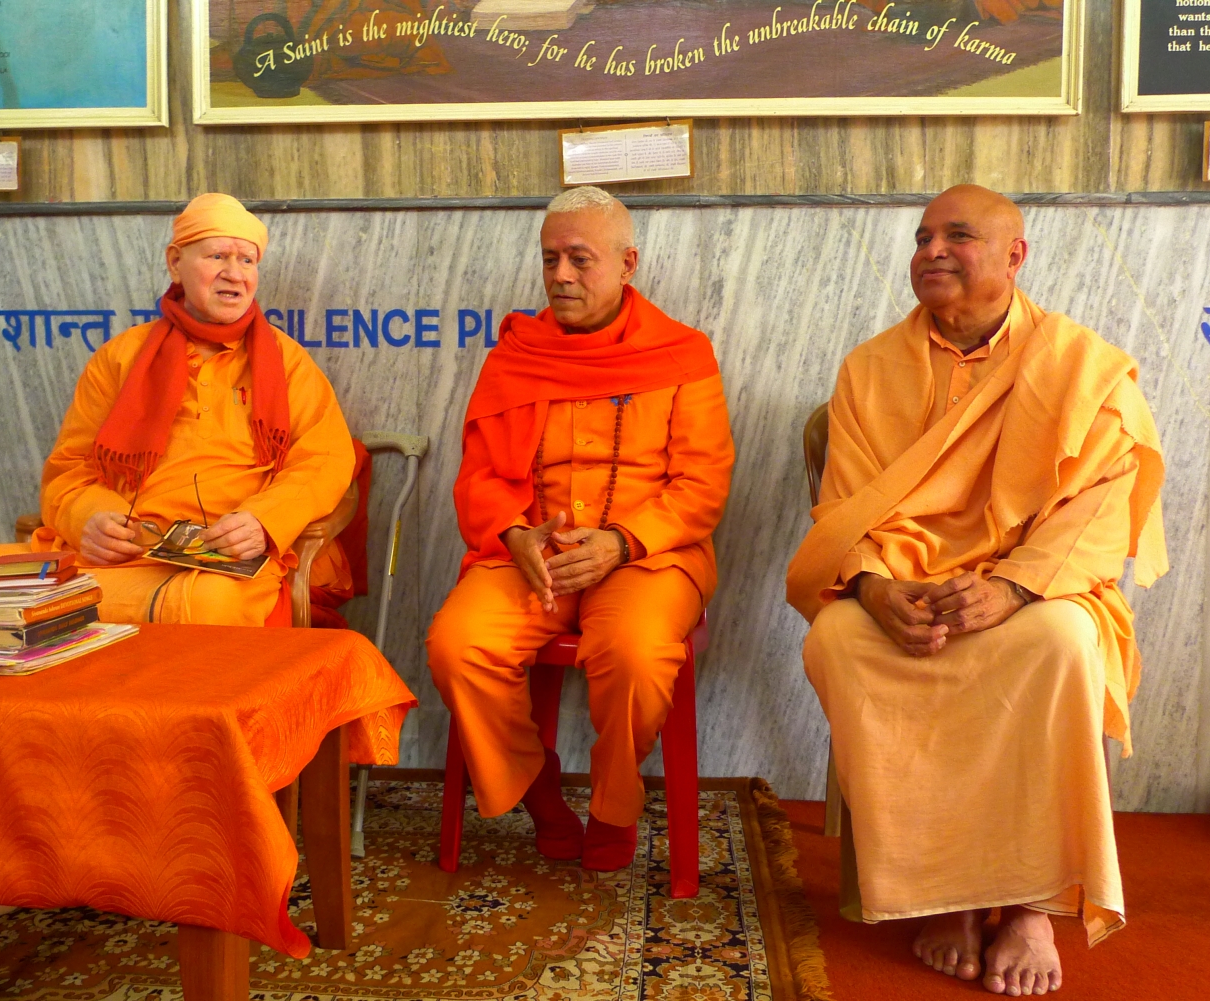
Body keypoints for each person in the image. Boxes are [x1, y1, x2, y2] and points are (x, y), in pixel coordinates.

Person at [787, 185, 1167, 997]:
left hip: (1035, 587)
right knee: (837, 637)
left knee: (1063, 641)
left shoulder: (1080, 364)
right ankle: (942, 894)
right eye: (923, 237)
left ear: (1014, 255)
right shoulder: (869, 368)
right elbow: (845, 508)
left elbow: (1104, 505)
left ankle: (1031, 904)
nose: (931, 251)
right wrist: (877, 590)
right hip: (909, 587)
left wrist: (1015, 587)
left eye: (957, 236)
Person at [427, 187, 734, 872]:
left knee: (635, 652)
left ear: (628, 263)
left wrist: (621, 542)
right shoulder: (517, 353)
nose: (561, 275)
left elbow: (702, 485)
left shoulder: (682, 354)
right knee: (457, 644)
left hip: (648, 556)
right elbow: (480, 474)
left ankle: (612, 803)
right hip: (533, 554)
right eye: (550, 259)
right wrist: (514, 535)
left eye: (580, 259)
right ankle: (536, 787)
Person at [0, 193, 357, 628]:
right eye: (217, 256)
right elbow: (69, 468)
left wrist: (263, 522)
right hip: (118, 554)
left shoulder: (285, 361)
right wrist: (89, 519)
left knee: (208, 605)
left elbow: (325, 459)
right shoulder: (121, 356)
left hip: (214, 562)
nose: (235, 273)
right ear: (175, 263)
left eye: (247, 261)